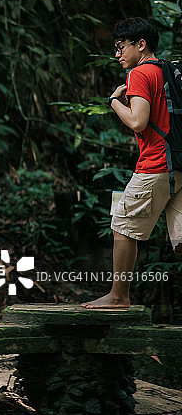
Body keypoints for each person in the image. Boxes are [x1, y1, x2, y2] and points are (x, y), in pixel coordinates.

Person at [82, 17, 181, 309]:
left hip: (157, 164)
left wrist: (114, 101)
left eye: (121, 47)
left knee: (122, 225)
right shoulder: (169, 70)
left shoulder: (139, 74)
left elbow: (138, 122)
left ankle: (118, 296)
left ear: (141, 45)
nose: (117, 54)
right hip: (181, 164)